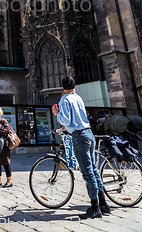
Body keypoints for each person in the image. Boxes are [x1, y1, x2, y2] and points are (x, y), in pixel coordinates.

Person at [52, 76, 110, 219]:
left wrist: (57, 113)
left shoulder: (64, 99)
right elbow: (78, 118)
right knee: (94, 170)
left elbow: (66, 119)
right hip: (88, 133)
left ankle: (95, 207)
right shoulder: (78, 97)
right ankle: (103, 204)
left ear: (63, 87)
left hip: (79, 137)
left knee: (87, 172)